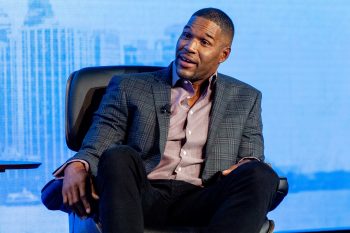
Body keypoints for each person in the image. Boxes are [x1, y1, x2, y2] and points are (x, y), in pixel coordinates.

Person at [55, 7, 279, 233]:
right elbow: (100, 142)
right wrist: (77, 164)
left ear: (223, 55)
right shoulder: (129, 87)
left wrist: (249, 164)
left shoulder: (245, 98)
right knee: (117, 155)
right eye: (187, 35)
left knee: (261, 173)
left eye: (204, 42)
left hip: (206, 199)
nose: (189, 47)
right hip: (141, 195)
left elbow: (252, 156)